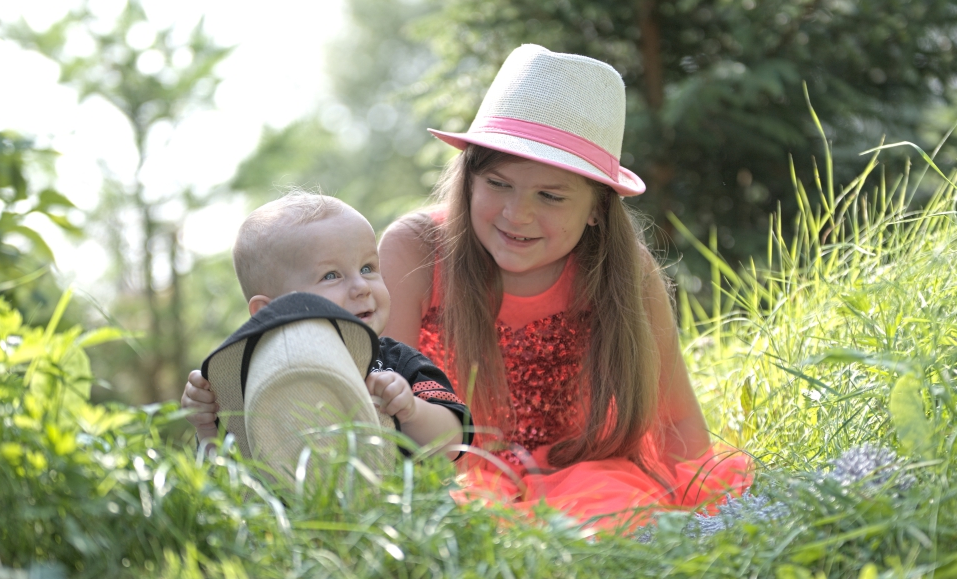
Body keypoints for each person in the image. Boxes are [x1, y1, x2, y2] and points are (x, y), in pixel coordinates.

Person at [187, 45, 750, 528]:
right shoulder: (417, 251)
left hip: (581, 468)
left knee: (614, 507)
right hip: (456, 469)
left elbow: (677, 419)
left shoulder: (624, 274)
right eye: (498, 184)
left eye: (550, 196)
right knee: (468, 519)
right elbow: (369, 386)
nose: (516, 214)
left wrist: (699, 507)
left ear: (597, 210)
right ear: (469, 178)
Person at [186, 192, 469, 459]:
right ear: (269, 311)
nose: (361, 286)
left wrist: (412, 411)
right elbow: (229, 473)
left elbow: (454, 443)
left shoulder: (396, 364)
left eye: (367, 268)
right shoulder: (250, 381)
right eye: (331, 275)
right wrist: (207, 425)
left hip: (395, 496)